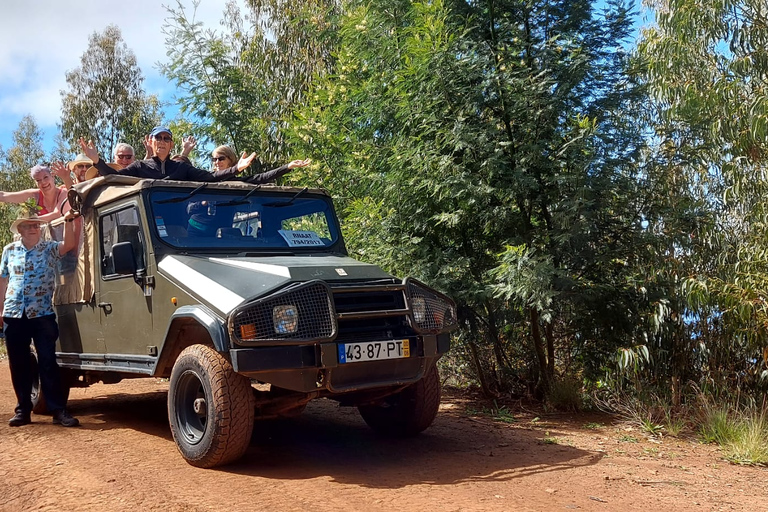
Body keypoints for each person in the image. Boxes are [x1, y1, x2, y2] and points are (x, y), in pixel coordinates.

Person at [0, 205, 81, 427]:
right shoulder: (9, 250)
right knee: (18, 363)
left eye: (36, 225)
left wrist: (68, 221)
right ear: (21, 230)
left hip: (42, 314)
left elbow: (70, 245)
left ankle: (58, 411)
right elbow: (3, 280)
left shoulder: (49, 249)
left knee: (47, 361)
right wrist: (0, 309)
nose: (34, 228)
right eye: (29, 226)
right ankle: (23, 410)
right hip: (14, 313)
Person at [79, 127, 258, 181]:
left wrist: (236, 168)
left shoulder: (180, 167)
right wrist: (96, 160)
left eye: (166, 139)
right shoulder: (140, 166)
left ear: (171, 144)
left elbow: (211, 177)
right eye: (159, 138)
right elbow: (114, 176)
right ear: (152, 142)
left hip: (177, 228)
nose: (162, 142)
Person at [211, 144, 311, 184]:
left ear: (230, 159)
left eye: (221, 159)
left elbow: (262, 177)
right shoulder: (207, 179)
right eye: (214, 159)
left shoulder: (236, 183)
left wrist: (288, 166)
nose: (217, 162)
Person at [0, 165, 67, 222]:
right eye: (38, 180)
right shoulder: (35, 195)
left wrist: (30, 221)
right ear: (35, 183)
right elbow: (4, 196)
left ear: (52, 177)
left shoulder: (64, 192)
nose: (43, 182)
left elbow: (57, 214)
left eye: (46, 177)